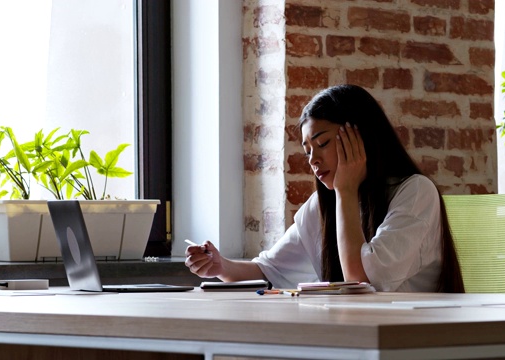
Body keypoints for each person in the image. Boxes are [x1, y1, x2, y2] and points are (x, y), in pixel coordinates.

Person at [185, 84, 464, 293]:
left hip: (410, 341)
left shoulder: (415, 192)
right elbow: (267, 270)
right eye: (308, 151)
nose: (314, 161)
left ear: (360, 137)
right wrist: (221, 266)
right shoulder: (324, 205)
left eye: (323, 144)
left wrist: (345, 191)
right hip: (355, 337)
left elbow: (361, 282)